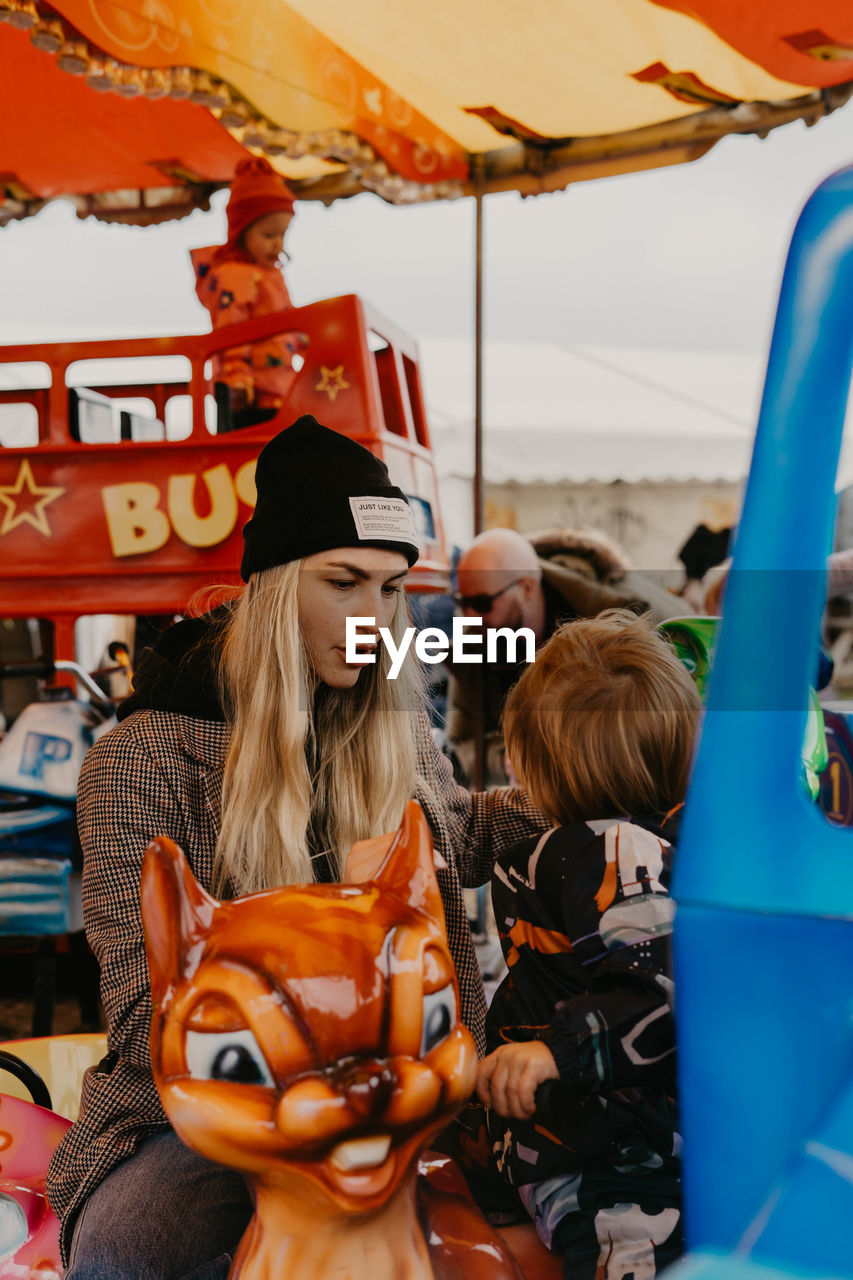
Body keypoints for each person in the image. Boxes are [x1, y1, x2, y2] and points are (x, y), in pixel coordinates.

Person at [46, 415, 547, 1280]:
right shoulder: (143, 760)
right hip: (216, 1114)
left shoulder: (389, 723)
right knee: (134, 1252)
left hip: (407, 1090)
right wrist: (326, 925)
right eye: (344, 582)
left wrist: (604, 793)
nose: (374, 618)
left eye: (392, 589)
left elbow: (465, 830)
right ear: (274, 589)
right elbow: (141, 1012)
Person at [473, 611, 701, 1279]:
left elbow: (661, 988)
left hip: (623, 1155)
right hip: (579, 1135)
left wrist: (555, 1051)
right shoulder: (637, 845)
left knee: (620, 1256)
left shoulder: (612, 852)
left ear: (533, 762)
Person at [445, 527, 683, 786]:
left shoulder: (624, 618)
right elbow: (463, 746)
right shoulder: (474, 644)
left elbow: (670, 723)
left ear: (526, 587)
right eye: (462, 601)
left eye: (482, 602)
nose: (469, 615)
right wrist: (505, 757)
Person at [191, 156, 304, 431]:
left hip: (278, 390)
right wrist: (236, 378)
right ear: (241, 232)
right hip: (246, 394)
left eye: (282, 235)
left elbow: (289, 323)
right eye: (268, 235)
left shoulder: (272, 275)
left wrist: (315, 339)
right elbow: (230, 330)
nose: (278, 243)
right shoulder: (233, 275)